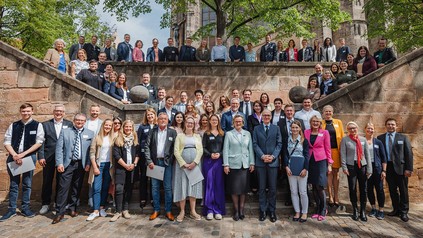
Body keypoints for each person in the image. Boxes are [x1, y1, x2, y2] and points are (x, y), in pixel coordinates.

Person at [1, 103, 44, 222]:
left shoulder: (37, 125)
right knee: (14, 185)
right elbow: (7, 141)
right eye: (24, 111)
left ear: (32, 111)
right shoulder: (13, 125)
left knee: (27, 184)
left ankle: (25, 208)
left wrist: (23, 155)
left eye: (28, 111)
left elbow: (39, 142)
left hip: (28, 158)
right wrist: (14, 155)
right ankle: (11, 209)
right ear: (20, 112)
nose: (26, 113)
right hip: (13, 157)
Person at [52, 113, 94, 224]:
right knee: (63, 189)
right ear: (74, 121)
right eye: (77, 120)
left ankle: (72, 208)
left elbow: (91, 151)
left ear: (85, 122)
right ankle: (59, 213)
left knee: (77, 187)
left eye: (82, 120)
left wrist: (88, 163)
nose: (79, 122)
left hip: (81, 164)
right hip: (67, 164)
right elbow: (59, 149)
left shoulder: (90, 133)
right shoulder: (65, 131)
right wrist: (59, 163)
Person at [37, 104, 73, 215]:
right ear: (53, 112)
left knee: (61, 181)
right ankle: (45, 203)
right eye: (57, 111)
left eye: (61, 111)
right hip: (48, 157)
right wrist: (41, 156)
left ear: (64, 113)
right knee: (47, 180)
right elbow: (40, 142)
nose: (59, 113)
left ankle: (58, 203)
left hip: (63, 158)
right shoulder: (45, 125)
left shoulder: (69, 124)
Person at [377, 118, 413, 222]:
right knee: (392, 190)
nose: (390, 126)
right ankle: (396, 209)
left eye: (393, 124)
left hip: (401, 168)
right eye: (388, 124)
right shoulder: (380, 138)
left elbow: (409, 154)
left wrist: (409, 168)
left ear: (396, 126)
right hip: (388, 168)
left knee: (403, 190)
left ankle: (404, 212)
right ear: (385, 126)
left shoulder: (403, 137)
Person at [145, 113, 178, 221]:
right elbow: (147, 147)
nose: (163, 120)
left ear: (168, 120)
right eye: (160, 119)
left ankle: (168, 211)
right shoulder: (152, 131)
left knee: (168, 188)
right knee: (155, 188)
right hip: (154, 163)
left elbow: (175, 148)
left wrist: (171, 160)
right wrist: (149, 161)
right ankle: (156, 210)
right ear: (157, 120)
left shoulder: (173, 132)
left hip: (167, 163)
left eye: (165, 119)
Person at [223, 115, 255, 221]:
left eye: (240, 121)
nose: (238, 123)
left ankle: (242, 210)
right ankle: (236, 210)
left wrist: (252, 163)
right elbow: (226, 150)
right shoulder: (229, 134)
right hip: (233, 164)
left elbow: (250, 149)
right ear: (233, 122)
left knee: (243, 189)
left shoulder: (248, 134)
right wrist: (226, 164)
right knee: (234, 189)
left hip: (244, 164)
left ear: (243, 122)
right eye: (236, 121)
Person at [253, 109, 282, 222]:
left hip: (273, 163)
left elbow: (279, 144)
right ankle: (263, 210)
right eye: (264, 115)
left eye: (268, 115)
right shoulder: (256, 128)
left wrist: (273, 156)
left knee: (273, 188)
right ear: (262, 117)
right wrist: (262, 156)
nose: (266, 117)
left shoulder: (276, 128)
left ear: (271, 116)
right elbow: (254, 144)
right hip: (261, 162)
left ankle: (272, 210)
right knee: (261, 188)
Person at [173, 116, 204, 222]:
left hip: (195, 165)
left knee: (193, 187)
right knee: (182, 186)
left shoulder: (197, 136)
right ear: (185, 124)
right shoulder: (180, 136)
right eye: (188, 122)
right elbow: (176, 151)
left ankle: (193, 211)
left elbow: (200, 150)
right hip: (182, 166)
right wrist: (183, 163)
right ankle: (182, 211)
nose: (190, 124)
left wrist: (195, 162)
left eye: (192, 123)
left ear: (194, 124)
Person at [341, 121, 372, 221]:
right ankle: (355, 209)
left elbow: (367, 155)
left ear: (357, 128)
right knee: (352, 188)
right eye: (350, 128)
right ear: (348, 130)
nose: (352, 130)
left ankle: (363, 210)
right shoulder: (345, 140)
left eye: (354, 128)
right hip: (351, 166)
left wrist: (369, 169)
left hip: (362, 166)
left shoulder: (363, 139)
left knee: (364, 188)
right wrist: (344, 167)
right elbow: (343, 154)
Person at [304, 115, 333, 221]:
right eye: (313, 121)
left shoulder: (324, 133)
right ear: (310, 122)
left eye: (317, 121)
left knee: (320, 186)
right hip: (310, 160)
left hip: (321, 160)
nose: (315, 123)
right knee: (313, 186)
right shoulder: (306, 132)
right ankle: (317, 209)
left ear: (320, 123)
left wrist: (329, 163)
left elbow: (328, 148)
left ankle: (323, 209)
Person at [110, 120, 140, 222]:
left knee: (128, 189)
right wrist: (126, 165)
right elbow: (116, 155)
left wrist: (134, 164)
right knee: (119, 189)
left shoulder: (135, 139)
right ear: (123, 127)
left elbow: (138, 154)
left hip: (132, 168)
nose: (128, 129)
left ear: (132, 128)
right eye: (126, 127)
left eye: (130, 127)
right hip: (121, 168)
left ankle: (125, 209)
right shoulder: (118, 139)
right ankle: (118, 211)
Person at [86, 119, 113, 221]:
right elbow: (92, 153)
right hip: (98, 165)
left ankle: (102, 208)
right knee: (96, 188)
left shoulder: (112, 138)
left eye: (110, 126)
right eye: (106, 125)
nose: (108, 127)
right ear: (103, 125)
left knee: (105, 187)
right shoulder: (97, 137)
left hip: (108, 166)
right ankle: (95, 210)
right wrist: (95, 166)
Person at [284, 120, 309, 223]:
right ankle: (297, 211)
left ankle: (304, 212)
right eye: (292, 127)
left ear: (300, 129)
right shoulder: (287, 139)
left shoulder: (304, 140)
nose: (294, 129)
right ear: (290, 128)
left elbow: (307, 155)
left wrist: (305, 169)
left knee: (302, 192)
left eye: (296, 128)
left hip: (301, 168)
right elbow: (285, 154)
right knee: (293, 191)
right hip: (290, 168)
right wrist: (286, 166)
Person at [202, 114, 226, 220]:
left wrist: (219, 154)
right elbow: (203, 147)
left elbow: (225, 148)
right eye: (212, 120)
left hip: (219, 162)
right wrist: (210, 154)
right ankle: (209, 210)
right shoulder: (206, 134)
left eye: (216, 120)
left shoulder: (222, 134)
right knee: (209, 185)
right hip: (208, 161)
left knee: (218, 185)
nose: (214, 121)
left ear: (218, 121)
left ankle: (218, 210)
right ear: (210, 121)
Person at [321, 105, 344, 208]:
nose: (328, 113)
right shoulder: (321, 123)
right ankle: (330, 196)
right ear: (323, 113)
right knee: (328, 173)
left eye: (330, 111)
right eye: (326, 112)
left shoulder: (338, 122)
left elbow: (342, 137)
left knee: (336, 173)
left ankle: (336, 196)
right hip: (325, 151)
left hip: (336, 150)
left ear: (332, 113)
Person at [365, 123, 387, 220]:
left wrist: (384, 170)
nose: (370, 130)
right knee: (369, 189)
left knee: (380, 189)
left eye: (372, 129)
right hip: (366, 168)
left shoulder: (378, 142)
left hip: (377, 168)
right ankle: (373, 208)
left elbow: (383, 157)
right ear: (365, 129)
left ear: (374, 130)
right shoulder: (362, 141)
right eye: (368, 128)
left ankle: (381, 210)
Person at [136, 108, 157, 209]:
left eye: (151, 114)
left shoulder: (157, 126)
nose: (150, 116)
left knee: (153, 179)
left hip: (155, 157)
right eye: (148, 115)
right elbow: (138, 142)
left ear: (154, 115)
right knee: (143, 178)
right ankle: (143, 198)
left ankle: (153, 198)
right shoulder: (142, 127)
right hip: (144, 157)